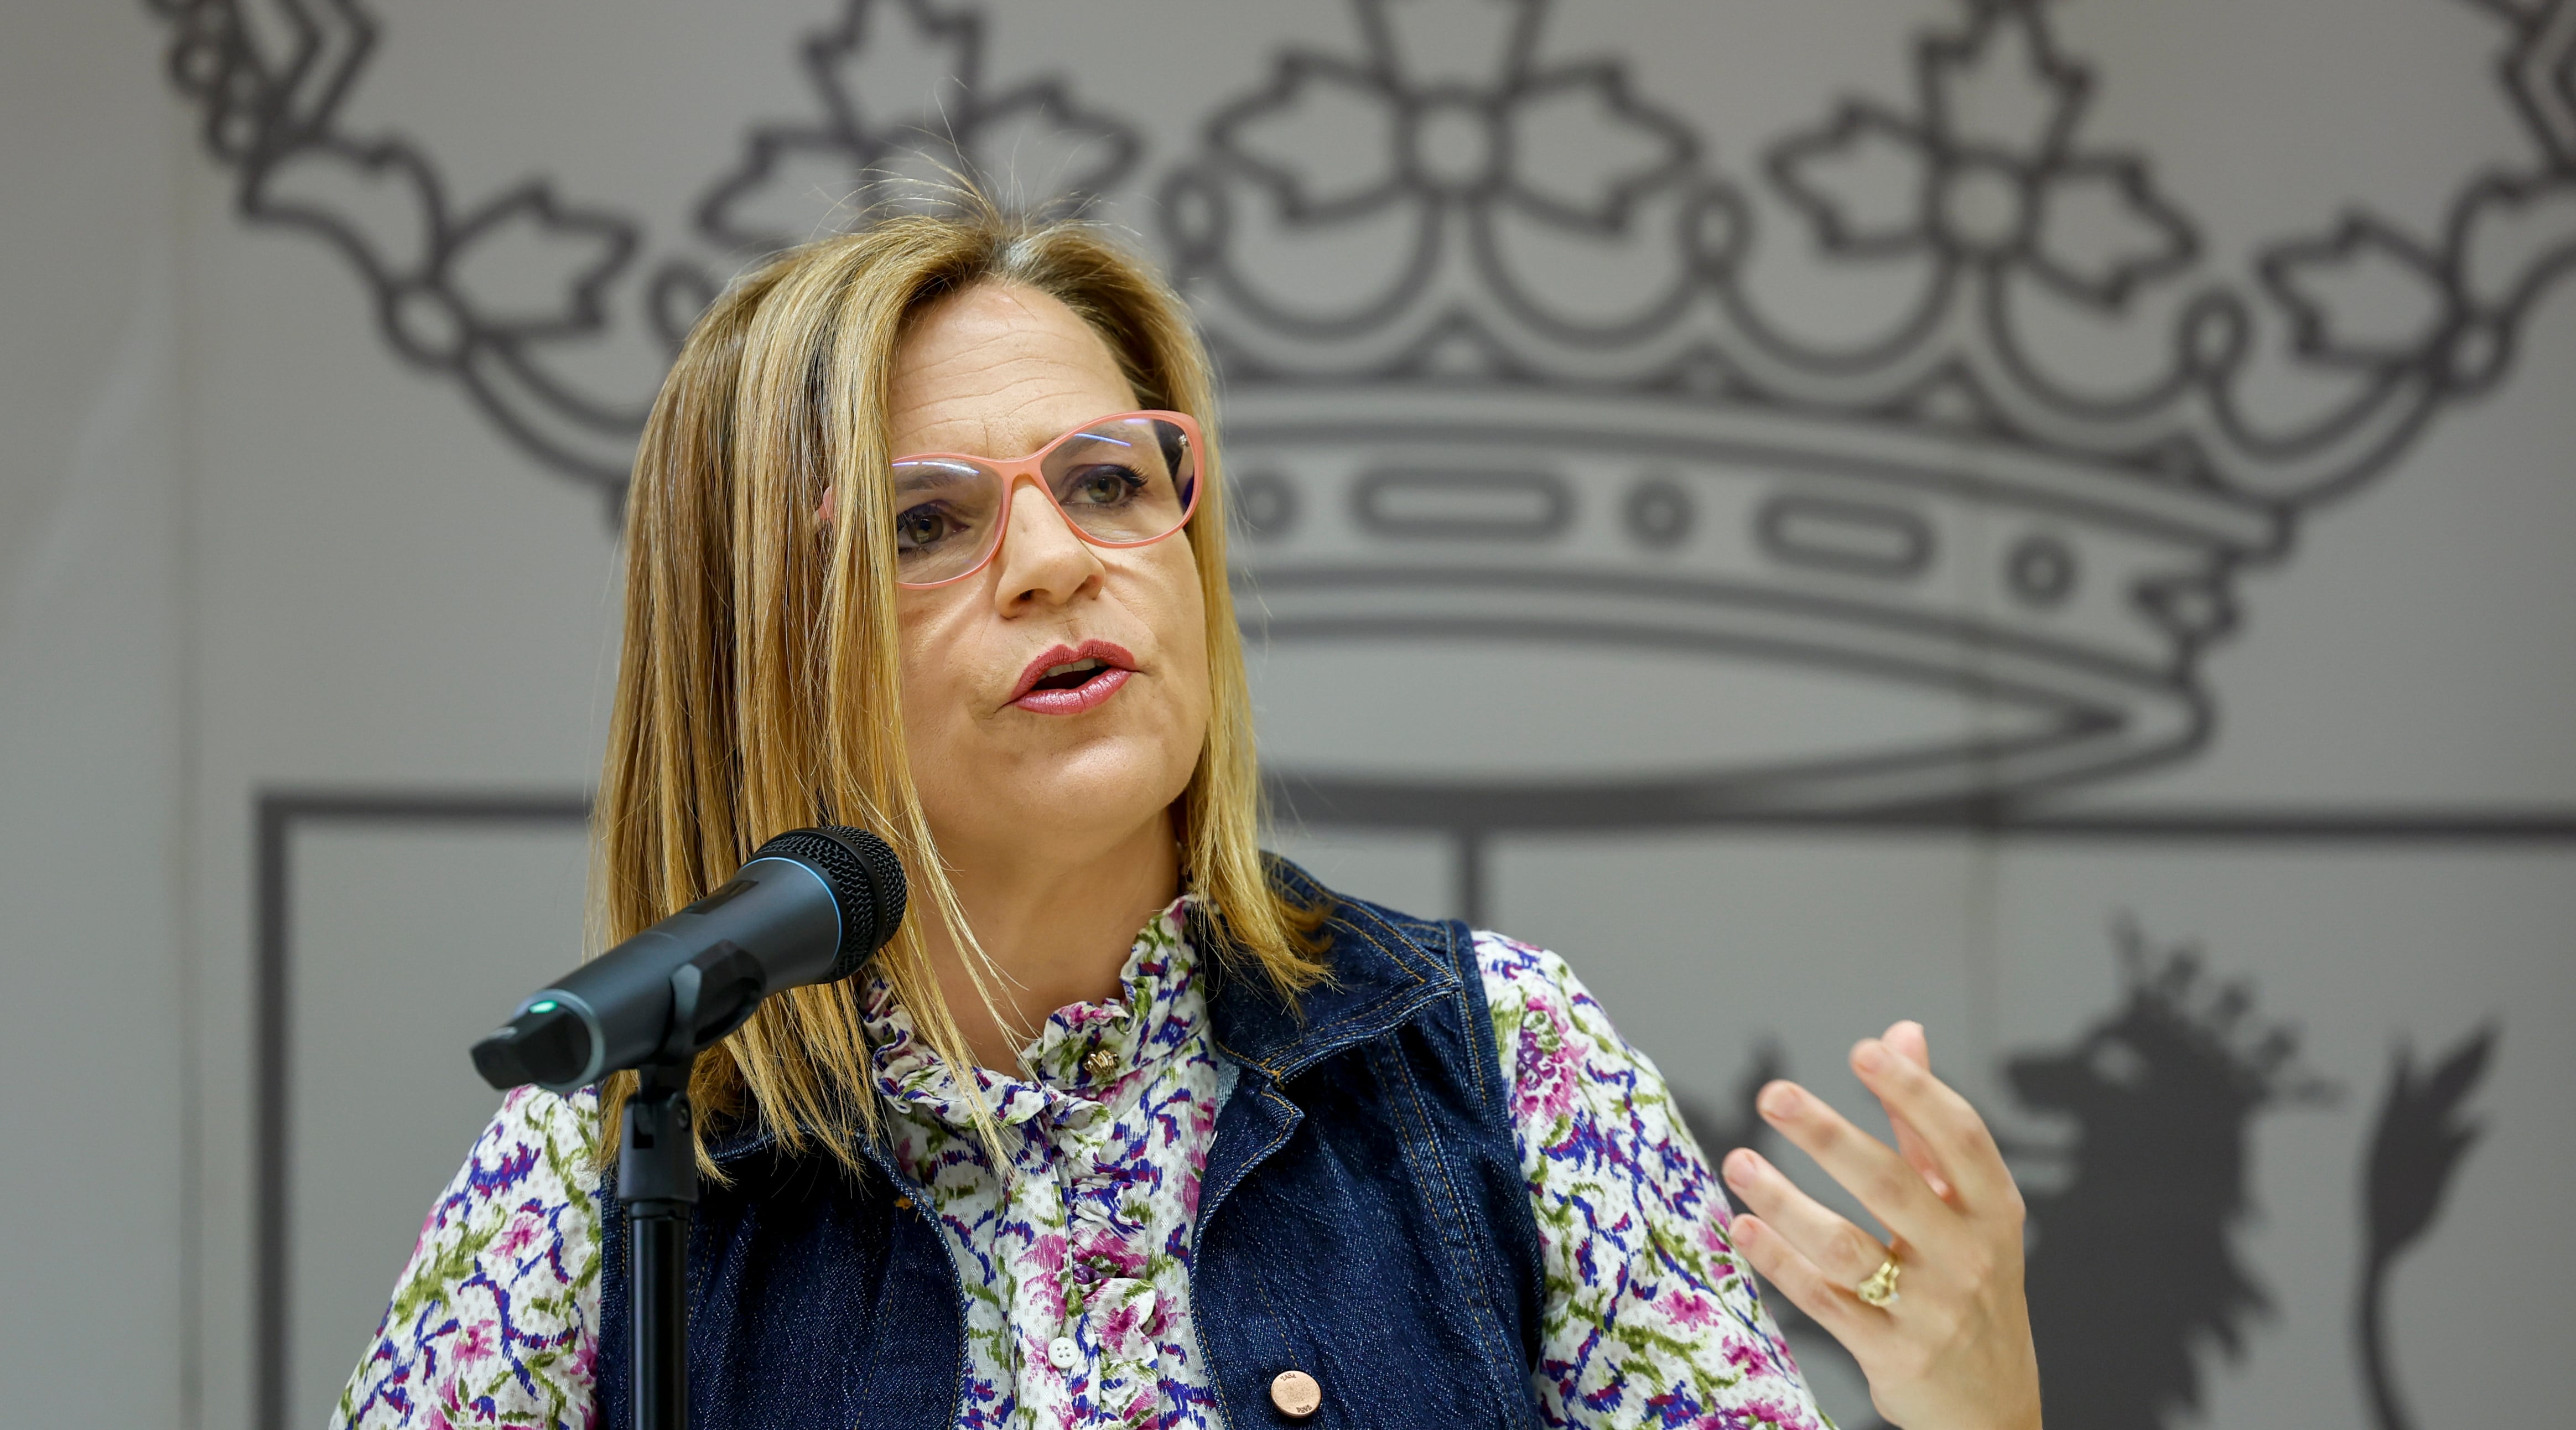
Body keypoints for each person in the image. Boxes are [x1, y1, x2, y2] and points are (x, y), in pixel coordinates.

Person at [334, 200, 2040, 1430]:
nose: (1060, 559)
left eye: (1106, 480)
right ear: (757, 645)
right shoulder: (618, 1160)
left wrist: (1977, 1413)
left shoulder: (1501, 1061)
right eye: (928, 523)